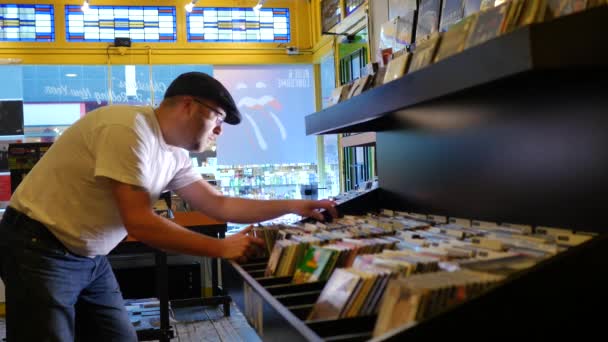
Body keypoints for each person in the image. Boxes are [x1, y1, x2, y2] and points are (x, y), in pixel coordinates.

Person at [0, 72, 337, 341]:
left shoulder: (174, 154)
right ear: (188, 105)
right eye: (217, 117)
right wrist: (221, 248)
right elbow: (140, 223)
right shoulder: (128, 129)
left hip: (87, 256)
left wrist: (295, 205)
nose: (219, 129)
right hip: (38, 247)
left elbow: (218, 204)